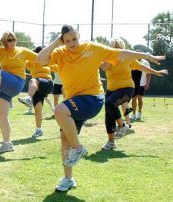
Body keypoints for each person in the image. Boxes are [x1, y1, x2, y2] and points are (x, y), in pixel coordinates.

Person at [36, 25, 165, 192]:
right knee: (64, 138)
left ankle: (79, 148)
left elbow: (121, 54)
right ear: (63, 40)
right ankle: (68, 179)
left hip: (92, 98)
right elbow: (40, 60)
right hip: (73, 103)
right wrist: (56, 42)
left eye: (74, 38)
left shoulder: (93, 48)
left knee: (59, 110)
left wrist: (146, 55)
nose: (72, 43)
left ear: (79, 35)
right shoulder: (60, 53)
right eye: (67, 40)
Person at [100, 38, 168, 150]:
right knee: (109, 114)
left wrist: (156, 72)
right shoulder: (108, 58)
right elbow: (104, 67)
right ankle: (111, 142)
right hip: (111, 90)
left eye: (119, 46)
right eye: (114, 46)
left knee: (109, 103)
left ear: (123, 47)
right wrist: (112, 56)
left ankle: (122, 126)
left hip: (127, 89)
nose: (117, 48)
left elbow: (142, 67)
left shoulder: (128, 58)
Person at [17, 46, 54, 138]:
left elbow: (58, 67)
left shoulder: (47, 60)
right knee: (37, 110)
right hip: (37, 88)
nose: (42, 55)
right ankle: (39, 130)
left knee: (32, 81)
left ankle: (28, 98)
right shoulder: (31, 61)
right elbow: (21, 61)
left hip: (47, 83)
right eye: (40, 53)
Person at [130, 52, 152, 121]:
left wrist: (147, 83)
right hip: (133, 84)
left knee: (140, 99)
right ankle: (133, 115)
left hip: (142, 84)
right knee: (133, 99)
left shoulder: (145, 62)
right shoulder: (132, 61)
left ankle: (139, 114)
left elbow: (148, 74)